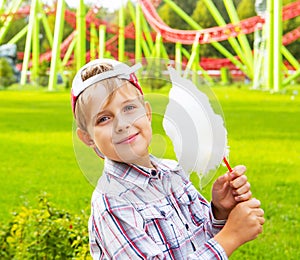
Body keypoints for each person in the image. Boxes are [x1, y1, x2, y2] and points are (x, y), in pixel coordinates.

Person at [71, 59, 265, 259]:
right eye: (104, 118)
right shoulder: (112, 203)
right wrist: (231, 236)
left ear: (147, 113)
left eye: (129, 108)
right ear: (87, 138)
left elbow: (201, 241)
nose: (122, 124)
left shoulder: (172, 172)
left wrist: (220, 212)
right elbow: (221, 243)